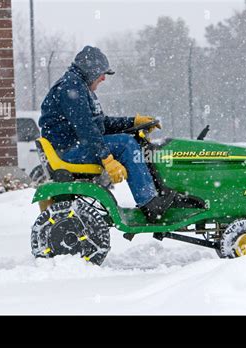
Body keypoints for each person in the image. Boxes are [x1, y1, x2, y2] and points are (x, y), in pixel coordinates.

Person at [38, 46, 176, 223]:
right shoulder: (71, 87)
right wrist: (106, 158)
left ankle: (153, 195)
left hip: (75, 146)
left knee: (132, 140)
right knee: (126, 144)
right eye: (102, 73)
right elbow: (86, 130)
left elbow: (100, 124)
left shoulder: (79, 86)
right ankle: (150, 204)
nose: (103, 78)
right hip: (68, 151)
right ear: (90, 70)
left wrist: (133, 122)